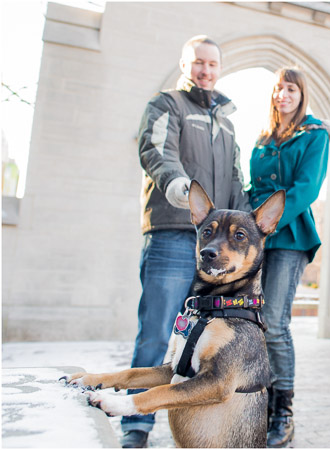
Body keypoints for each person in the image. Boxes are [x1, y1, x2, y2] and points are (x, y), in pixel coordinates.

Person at [126, 35, 249, 448]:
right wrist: (179, 187)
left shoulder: (227, 121)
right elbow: (155, 150)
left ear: (219, 68)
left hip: (214, 249)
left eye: (212, 64)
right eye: (198, 62)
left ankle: (199, 430)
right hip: (173, 235)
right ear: (185, 65)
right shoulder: (167, 104)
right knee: (157, 333)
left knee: (207, 339)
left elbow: (235, 181)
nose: (205, 70)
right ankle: (135, 428)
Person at [249, 66, 330, 448]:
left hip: (289, 235)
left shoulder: (315, 134)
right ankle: (259, 403)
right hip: (253, 239)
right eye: (279, 89)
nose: (283, 95)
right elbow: (252, 188)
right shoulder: (263, 138)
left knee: (275, 321)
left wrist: (267, 225)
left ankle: (283, 412)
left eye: (291, 89)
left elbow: (307, 188)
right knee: (253, 322)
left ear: (301, 95)